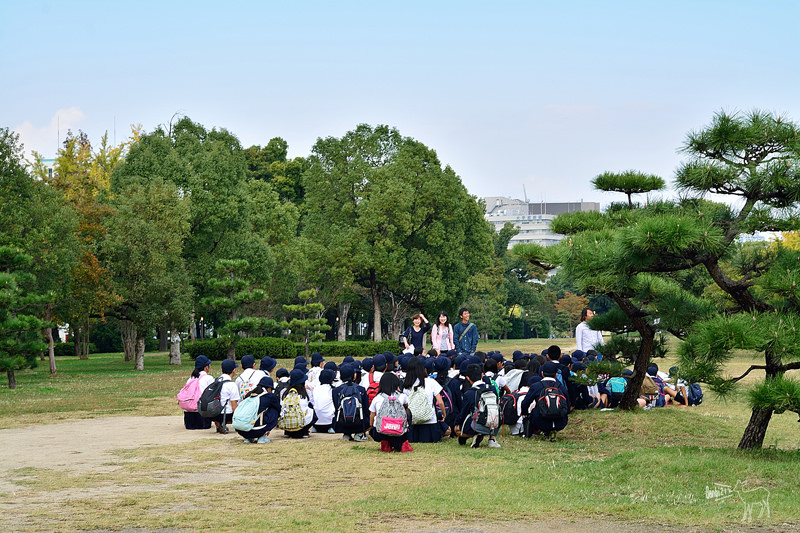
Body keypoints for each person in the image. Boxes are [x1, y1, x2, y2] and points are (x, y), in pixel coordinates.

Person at [521, 361, 570, 440]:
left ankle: (543, 431)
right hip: (561, 422)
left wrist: (525, 414)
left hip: (540, 421)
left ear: (542, 373)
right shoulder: (561, 387)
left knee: (534, 409)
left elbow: (525, 404)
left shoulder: (536, 386)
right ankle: (553, 430)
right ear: (556, 374)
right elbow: (567, 406)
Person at [402, 357, 447, 443]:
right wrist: (443, 414)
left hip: (414, 422)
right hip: (430, 422)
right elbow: (440, 402)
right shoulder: (431, 382)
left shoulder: (406, 385)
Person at [455, 363, 501, 448]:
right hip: (494, 425)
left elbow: (464, 413)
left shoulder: (469, 393)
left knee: (457, 429)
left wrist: (457, 422)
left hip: (477, 425)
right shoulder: (492, 388)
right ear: (482, 375)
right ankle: (492, 439)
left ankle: (476, 434)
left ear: (468, 378)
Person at [369, 372, 412, 452]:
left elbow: (372, 415)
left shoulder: (377, 398)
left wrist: (371, 427)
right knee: (408, 412)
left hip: (381, 432)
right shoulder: (402, 396)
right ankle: (403, 443)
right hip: (399, 432)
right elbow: (407, 406)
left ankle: (385, 443)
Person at [236, 376, 281, 444]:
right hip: (257, 431)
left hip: (241, 430)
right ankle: (262, 436)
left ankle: (248, 438)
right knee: (275, 410)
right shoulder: (269, 396)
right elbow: (278, 408)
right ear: (269, 388)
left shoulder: (249, 394)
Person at [332, 364, 370, 441]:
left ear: (340, 377)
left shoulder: (335, 391)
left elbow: (336, 407)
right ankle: (359, 433)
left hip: (342, 424)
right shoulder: (361, 389)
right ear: (354, 376)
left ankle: (346, 433)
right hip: (359, 423)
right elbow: (366, 409)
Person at [280, 369, 316, 438]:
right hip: (301, 426)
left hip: (286, 424)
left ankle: (287, 431)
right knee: (311, 409)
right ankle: (305, 431)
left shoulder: (284, 392)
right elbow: (312, 405)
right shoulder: (306, 393)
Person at [182, 355, 214, 430]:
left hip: (189, 416)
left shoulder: (190, 379)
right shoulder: (208, 378)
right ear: (206, 367)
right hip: (202, 416)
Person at [213, 358, 241, 434]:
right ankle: (224, 423)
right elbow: (234, 406)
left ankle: (219, 422)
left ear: (222, 370)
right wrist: (238, 419)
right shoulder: (232, 385)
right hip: (226, 414)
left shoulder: (215, 381)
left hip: (213, 413)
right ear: (234, 370)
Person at [311, 369, 336, 433]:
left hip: (315, 422)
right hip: (329, 422)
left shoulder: (316, 388)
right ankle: (332, 428)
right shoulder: (332, 390)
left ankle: (315, 428)